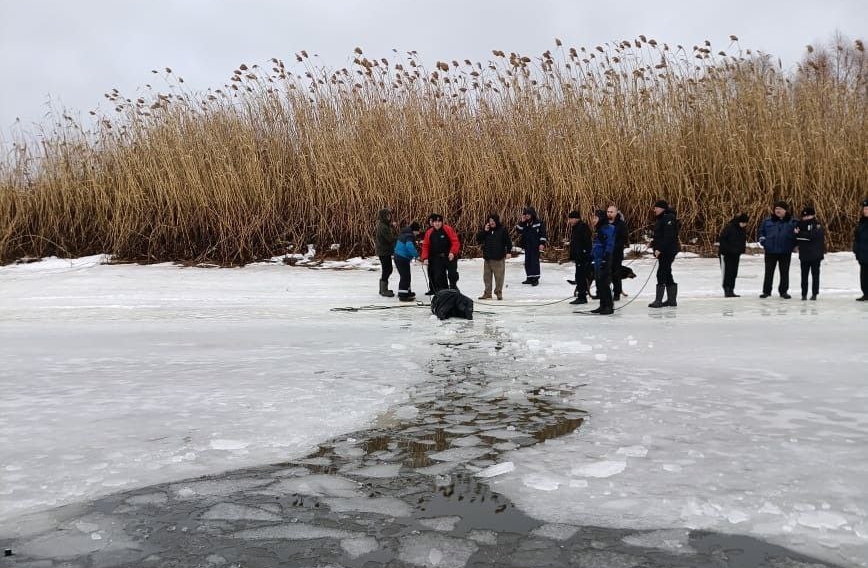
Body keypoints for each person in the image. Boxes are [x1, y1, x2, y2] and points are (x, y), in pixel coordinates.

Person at [758, 200, 797, 299]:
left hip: (785, 251)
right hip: (770, 251)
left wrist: (792, 244)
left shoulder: (793, 222)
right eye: (776, 209)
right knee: (768, 272)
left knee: (784, 272)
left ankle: (783, 291)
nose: (777, 210)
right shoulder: (767, 221)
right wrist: (763, 242)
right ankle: (766, 291)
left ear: (785, 210)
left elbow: (797, 234)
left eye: (780, 209)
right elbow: (761, 233)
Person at [648, 199, 680, 308]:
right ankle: (671, 301)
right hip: (665, 250)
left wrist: (659, 249)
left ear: (662, 208)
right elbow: (660, 235)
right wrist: (652, 243)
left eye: (656, 208)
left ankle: (658, 301)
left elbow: (669, 236)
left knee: (661, 273)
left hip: (668, 251)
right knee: (667, 273)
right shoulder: (662, 218)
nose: (654, 210)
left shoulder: (668, 218)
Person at [476, 213, 512, 300]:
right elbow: (478, 240)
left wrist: (509, 252)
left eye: (493, 221)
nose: (491, 222)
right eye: (490, 221)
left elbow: (508, 242)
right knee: (487, 277)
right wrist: (484, 231)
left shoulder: (503, 230)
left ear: (496, 221)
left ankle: (498, 292)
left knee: (499, 277)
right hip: (488, 257)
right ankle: (487, 293)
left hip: (498, 257)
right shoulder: (486, 230)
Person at [421, 214, 460, 294]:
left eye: (439, 221)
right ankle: (443, 292)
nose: (437, 223)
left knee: (452, 274)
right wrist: (425, 258)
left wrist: (452, 252)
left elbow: (455, 242)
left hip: (449, 256)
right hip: (437, 258)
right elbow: (425, 246)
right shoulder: (429, 232)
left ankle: (453, 288)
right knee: (439, 276)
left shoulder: (448, 229)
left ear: (442, 222)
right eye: (435, 222)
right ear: (433, 223)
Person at [794, 206, 825, 301]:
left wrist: (801, 234)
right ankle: (804, 294)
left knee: (815, 275)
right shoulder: (799, 224)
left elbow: (813, 236)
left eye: (808, 216)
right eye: (804, 217)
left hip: (816, 254)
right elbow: (796, 236)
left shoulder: (817, 224)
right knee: (804, 276)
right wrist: (802, 235)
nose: (805, 218)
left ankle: (815, 293)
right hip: (804, 254)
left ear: (813, 216)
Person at [590, 210, 615, 315]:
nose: (593, 220)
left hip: (604, 258)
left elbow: (609, 244)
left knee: (604, 283)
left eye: (595, 218)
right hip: (597, 258)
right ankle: (602, 305)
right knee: (599, 283)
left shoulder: (608, 228)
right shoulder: (598, 229)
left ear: (600, 218)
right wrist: (591, 256)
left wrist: (606, 257)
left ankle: (609, 306)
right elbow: (596, 244)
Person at [718, 213, 749, 297]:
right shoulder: (729, 227)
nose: (744, 225)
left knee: (734, 272)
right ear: (739, 221)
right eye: (743, 223)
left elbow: (741, 241)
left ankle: (731, 289)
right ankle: (726, 289)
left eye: (745, 223)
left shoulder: (742, 229)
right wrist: (726, 250)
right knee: (726, 272)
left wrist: (741, 250)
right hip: (726, 254)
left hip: (736, 254)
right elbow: (722, 239)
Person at [515, 207, 547, 286]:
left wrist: (542, 243)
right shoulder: (525, 223)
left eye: (528, 214)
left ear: (532, 214)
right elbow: (518, 230)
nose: (527, 216)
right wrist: (522, 222)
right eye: (525, 214)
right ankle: (529, 277)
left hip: (535, 246)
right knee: (527, 262)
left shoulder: (538, 223)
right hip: (527, 246)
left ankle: (535, 278)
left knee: (534, 262)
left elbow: (543, 234)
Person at [566, 210, 592, 305]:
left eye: (571, 219)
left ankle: (582, 297)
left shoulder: (583, 227)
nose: (570, 221)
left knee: (581, 277)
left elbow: (587, 242)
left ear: (577, 218)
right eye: (569, 219)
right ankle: (582, 295)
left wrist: (584, 253)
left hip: (583, 257)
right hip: (578, 257)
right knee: (579, 276)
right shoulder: (576, 227)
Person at [394, 221, 421, 302]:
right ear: (414, 230)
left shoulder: (405, 233)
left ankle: (407, 292)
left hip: (401, 258)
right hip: (401, 258)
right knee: (405, 277)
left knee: (407, 276)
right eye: (418, 231)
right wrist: (417, 256)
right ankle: (403, 295)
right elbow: (409, 246)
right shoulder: (409, 236)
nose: (418, 233)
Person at [607, 204, 628, 300]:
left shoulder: (621, 224)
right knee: (606, 273)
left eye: (611, 212)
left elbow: (623, 239)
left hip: (616, 253)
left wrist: (614, 247)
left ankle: (617, 293)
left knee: (616, 274)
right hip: (606, 253)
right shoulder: (604, 223)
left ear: (616, 213)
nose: (609, 213)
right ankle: (604, 292)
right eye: (608, 212)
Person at [375, 208, 397, 297]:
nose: (389, 217)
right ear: (383, 217)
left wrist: (391, 225)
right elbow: (390, 239)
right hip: (384, 252)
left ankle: (383, 289)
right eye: (387, 216)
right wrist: (400, 237)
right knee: (387, 269)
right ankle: (383, 290)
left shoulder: (384, 225)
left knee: (387, 269)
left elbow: (387, 227)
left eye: (389, 215)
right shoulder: (383, 227)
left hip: (384, 251)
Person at [856, 198, 868, 301]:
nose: (865, 211)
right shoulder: (862, 222)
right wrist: (856, 249)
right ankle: (865, 294)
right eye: (864, 209)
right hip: (862, 254)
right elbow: (857, 237)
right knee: (863, 277)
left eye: (867, 209)